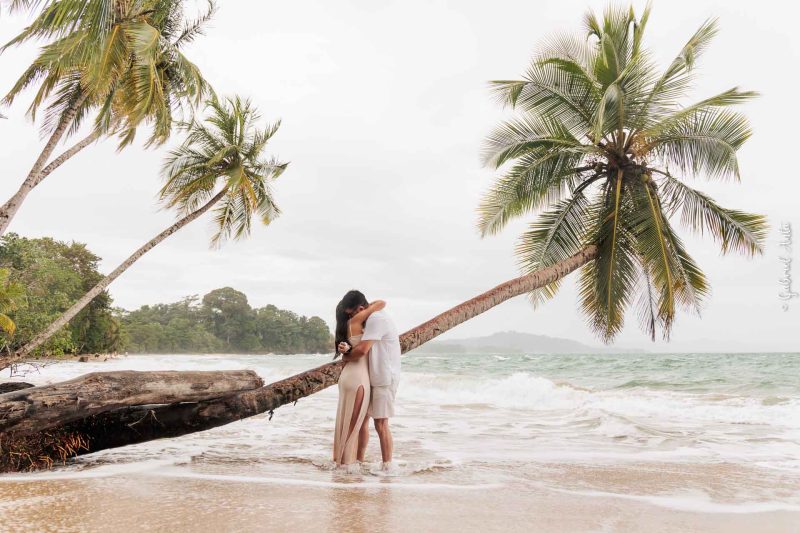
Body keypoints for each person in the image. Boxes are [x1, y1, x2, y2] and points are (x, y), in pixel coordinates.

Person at [337, 290, 401, 471]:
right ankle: (358, 461)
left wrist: (345, 357)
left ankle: (388, 467)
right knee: (363, 421)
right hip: (372, 375)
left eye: (353, 313)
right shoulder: (372, 315)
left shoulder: (376, 320)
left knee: (380, 423)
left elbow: (363, 350)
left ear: (361, 308)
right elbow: (379, 302)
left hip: (384, 378)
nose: (354, 318)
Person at [332, 296, 385, 468]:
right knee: (352, 426)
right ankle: (345, 467)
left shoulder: (346, 326)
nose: (358, 313)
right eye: (356, 310)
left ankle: (342, 462)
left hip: (347, 376)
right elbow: (381, 303)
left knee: (345, 422)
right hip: (358, 378)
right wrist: (367, 306)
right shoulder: (356, 321)